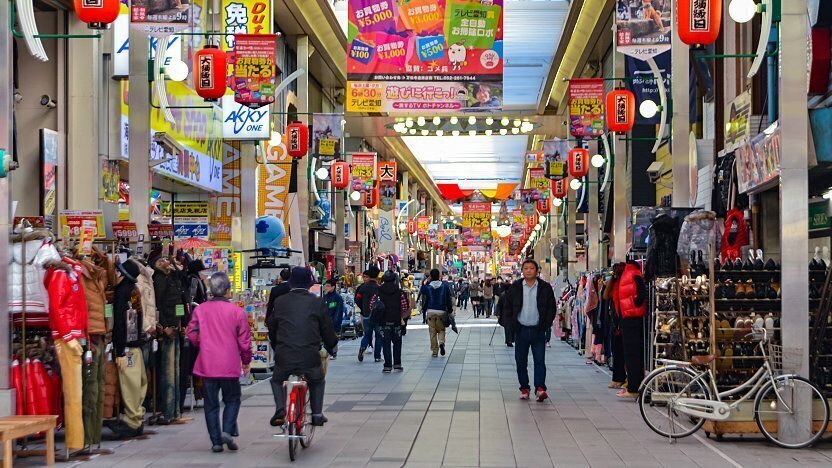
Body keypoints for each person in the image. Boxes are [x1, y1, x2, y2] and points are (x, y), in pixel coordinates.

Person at [186, 272, 252, 453]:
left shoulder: (200, 310)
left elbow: (191, 332)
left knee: (211, 404)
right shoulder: (237, 312)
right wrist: (246, 361)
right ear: (227, 291)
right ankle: (227, 431)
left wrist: (202, 341)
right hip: (229, 364)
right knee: (232, 399)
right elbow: (244, 341)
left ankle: (216, 441)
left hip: (207, 363)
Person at [266, 267, 338, 427]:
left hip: (284, 354)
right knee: (317, 380)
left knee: (277, 380)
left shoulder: (280, 301)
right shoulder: (317, 302)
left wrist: (277, 345)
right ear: (309, 284)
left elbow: (271, 326)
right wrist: (331, 345)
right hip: (309, 355)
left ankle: (280, 409)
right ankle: (317, 414)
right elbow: (327, 329)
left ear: (291, 283)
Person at [503, 259, 556, 402]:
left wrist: (546, 324)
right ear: (522, 270)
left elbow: (552, 307)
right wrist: (511, 324)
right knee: (521, 361)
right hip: (521, 329)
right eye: (526, 268)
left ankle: (540, 388)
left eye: (531, 268)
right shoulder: (516, 287)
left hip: (538, 329)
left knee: (539, 360)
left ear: (537, 270)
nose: (528, 270)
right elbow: (507, 306)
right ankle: (524, 388)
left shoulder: (545, 288)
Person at [150, 254, 186, 425]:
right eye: (161, 261)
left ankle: (176, 411)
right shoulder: (159, 279)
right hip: (168, 329)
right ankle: (169, 411)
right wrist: (164, 326)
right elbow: (158, 304)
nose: (166, 263)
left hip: (176, 327)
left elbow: (180, 297)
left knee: (176, 372)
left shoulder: (172, 278)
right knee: (169, 373)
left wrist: (182, 323)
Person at [615, 260, 647, 398]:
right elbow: (641, 295)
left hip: (627, 318)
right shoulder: (636, 274)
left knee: (631, 354)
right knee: (635, 354)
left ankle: (634, 386)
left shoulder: (627, 275)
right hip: (634, 317)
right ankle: (635, 385)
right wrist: (636, 306)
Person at [372, 271, 410, 372]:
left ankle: (387, 366)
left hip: (383, 321)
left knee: (386, 344)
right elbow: (405, 306)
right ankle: (397, 364)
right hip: (396, 320)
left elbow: (372, 304)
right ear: (395, 280)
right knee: (397, 343)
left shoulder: (378, 291)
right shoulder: (399, 291)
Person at [420, 269, 453, 357]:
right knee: (441, 329)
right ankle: (441, 343)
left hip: (430, 311)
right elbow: (449, 298)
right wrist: (450, 309)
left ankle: (435, 351)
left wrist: (426, 282)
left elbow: (422, 291)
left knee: (432, 332)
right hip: (441, 311)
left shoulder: (428, 287)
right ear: (439, 276)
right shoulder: (444, 286)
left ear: (431, 276)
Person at [355, 267, 382, 362]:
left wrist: (363, 307)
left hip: (366, 314)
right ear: (377, 275)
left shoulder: (362, 287)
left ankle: (363, 347)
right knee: (379, 336)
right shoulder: (379, 288)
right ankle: (377, 356)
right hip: (378, 316)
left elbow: (357, 299)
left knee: (367, 334)